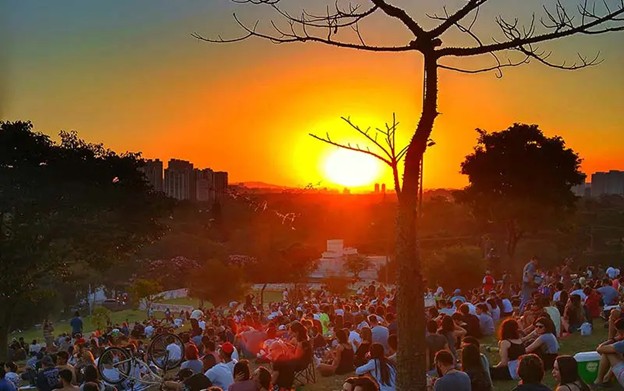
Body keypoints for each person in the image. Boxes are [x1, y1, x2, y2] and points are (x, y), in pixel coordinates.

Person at [594, 318, 624, 387]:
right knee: (616, 353)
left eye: (618, 332)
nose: (616, 334)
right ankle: (606, 378)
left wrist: (615, 339)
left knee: (608, 352)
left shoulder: (622, 344)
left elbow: (600, 349)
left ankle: (599, 380)